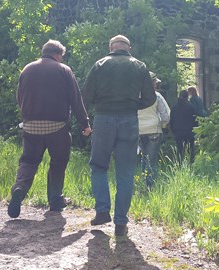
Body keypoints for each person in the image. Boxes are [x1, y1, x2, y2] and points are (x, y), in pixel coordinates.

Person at [82, 34, 156, 237]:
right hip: (129, 120)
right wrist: (133, 105)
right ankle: (121, 223)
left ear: (111, 47)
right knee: (125, 171)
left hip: (104, 119)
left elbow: (86, 96)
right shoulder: (140, 66)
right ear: (128, 48)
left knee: (98, 166)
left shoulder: (99, 64)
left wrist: (85, 119)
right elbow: (150, 98)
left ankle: (102, 210)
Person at [8, 40, 92, 219]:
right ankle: (55, 201)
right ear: (58, 54)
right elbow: (75, 100)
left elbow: (19, 97)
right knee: (58, 162)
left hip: (31, 126)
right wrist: (85, 124)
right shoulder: (63, 70)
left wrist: (27, 117)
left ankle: (19, 189)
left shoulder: (27, 69)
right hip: (57, 127)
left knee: (29, 161)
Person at [138, 71, 171, 189]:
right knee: (152, 159)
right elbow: (166, 114)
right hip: (154, 130)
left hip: (138, 131)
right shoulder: (156, 96)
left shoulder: (134, 96)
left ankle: (143, 183)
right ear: (152, 83)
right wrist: (163, 124)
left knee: (143, 157)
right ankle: (150, 186)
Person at [169, 90, 197, 164]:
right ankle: (191, 164)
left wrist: (173, 130)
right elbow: (195, 119)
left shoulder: (174, 107)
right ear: (187, 97)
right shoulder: (191, 107)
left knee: (180, 150)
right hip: (189, 131)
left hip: (178, 131)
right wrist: (195, 130)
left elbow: (171, 120)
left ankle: (180, 164)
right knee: (190, 150)